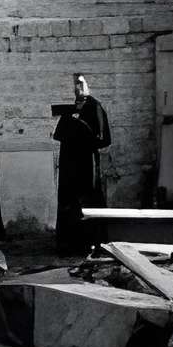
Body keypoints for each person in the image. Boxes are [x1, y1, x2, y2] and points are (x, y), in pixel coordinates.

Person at [53, 72, 112, 256]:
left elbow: (103, 139)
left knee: (88, 200)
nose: (77, 87)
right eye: (75, 84)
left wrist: (84, 135)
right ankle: (69, 244)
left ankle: (92, 242)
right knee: (68, 202)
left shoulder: (95, 108)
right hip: (68, 164)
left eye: (81, 83)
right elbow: (59, 135)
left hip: (86, 164)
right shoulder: (70, 110)